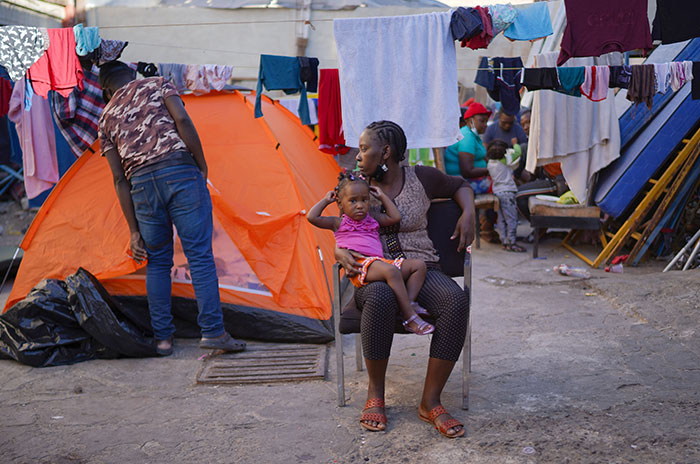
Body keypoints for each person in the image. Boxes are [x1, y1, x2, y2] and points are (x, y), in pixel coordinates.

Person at [336, 120, 475, 438]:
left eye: (364, 149)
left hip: (421, 267)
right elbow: (331, 220)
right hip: (372, 273)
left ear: (385, 152)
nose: (358, 156)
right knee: (381, 297)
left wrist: (468, 213)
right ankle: (375, 395)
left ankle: (430, 401)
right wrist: (337, 251)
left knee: (455, 300)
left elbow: (460, 186)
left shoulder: (422, 177)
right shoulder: (354, 185)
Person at [98, 61, 246, 356]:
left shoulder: (105, 118)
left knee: (158, 263)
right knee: (200, 258)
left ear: (106, 90)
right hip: (179, 172)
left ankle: (163, 340)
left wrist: (133, 231)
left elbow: (118, 178)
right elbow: (183, 121)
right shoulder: (157, 84)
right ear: (132, 74)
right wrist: (201, 163)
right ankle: (214, 332)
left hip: (140, 186)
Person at [307, 171, 434, 335]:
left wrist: (382, 197)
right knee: (391, 271)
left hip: (378, 264)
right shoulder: (338, 223)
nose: (360, 205)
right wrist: (326, 200)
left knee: (418, 266)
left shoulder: (372, 219)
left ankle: (407, 303)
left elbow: (394, 217)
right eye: (353, 201)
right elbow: (312, 217)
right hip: (359, 267)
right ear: (340, 204)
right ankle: (410, 317)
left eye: (364, 200)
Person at [486, 140, 526, 252]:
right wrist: (515, 143)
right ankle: (511, 242)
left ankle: (504, 240)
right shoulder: (505, 160)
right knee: (512, 219)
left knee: (501, 218)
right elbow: (517, 153)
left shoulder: (490, 163)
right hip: (507, 192)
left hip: (497, 192)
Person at [443, 102, 492, 195]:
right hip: (461, 183)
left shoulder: (473, 136)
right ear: (470, 121)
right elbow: (467, 171)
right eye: (482, 121)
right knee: (502, 186)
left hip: (467, 180)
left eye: (486, 121)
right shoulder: (467, 137)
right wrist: (491, 170)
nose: (485, 125)